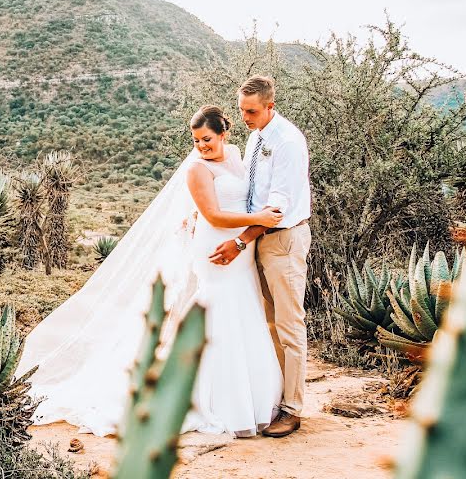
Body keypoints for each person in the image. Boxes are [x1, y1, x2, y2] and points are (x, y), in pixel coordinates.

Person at [17, 102, 287, 438]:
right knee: (221, 315)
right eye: (196, 141)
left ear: (224, 133)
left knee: (244, 312)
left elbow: (245, 196)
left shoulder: (235, 155)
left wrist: (248, 232)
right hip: (216, 250)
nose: (202, 147)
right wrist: (258, 220)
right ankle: (211, 398)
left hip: (242, 250)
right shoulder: (197, 170)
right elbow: (215, 216)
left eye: (207, 139)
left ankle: (253, 396)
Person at [209, 75, 312, 438]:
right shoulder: (256, 137)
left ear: (271, 105)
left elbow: (278, 206)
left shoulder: (287, 142)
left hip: (282, 240)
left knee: (288, 324)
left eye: (251, 111)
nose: (245, 117)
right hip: (258, 240)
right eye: (241, 110)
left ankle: (293, 408)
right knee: (267, 322)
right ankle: (274, 397)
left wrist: (239, 241)